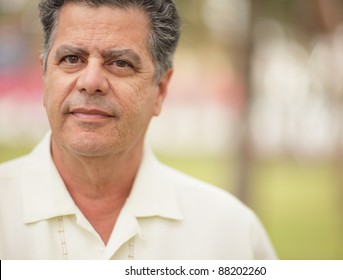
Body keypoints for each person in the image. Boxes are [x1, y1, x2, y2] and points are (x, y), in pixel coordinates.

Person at [0, 0, 277, 260]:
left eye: (120, 63)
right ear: (45, 74)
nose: (90, 81)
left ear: (161, 91)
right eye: (72, 59)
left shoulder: (232, 235)